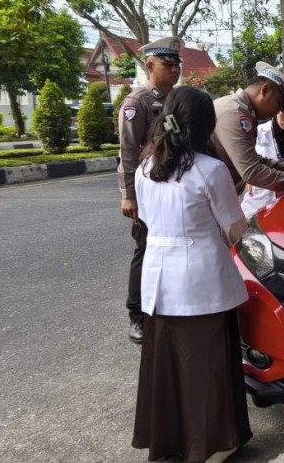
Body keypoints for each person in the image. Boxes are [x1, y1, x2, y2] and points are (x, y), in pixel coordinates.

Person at [131, 86, 251, 463]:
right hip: (202, 283)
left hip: (159, 282)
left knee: (167, 368)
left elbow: (148, 221)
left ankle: (170, 442)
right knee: (207, 367)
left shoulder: (145, 168)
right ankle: (211, 444)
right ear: (205, 125)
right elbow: (235, 230)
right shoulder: (211, 170)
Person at [116, 36, 184, 345]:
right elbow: (128, 152)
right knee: (145, 250)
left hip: (173, 189)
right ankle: (137, 316)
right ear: (149, 66)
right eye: (168, 65)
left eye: (176, 65)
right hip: (147, 192)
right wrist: (129, 195)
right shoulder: (138, 102)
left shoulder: (174, 99)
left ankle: (163, 310)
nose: (174, 70)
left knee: (168, 249)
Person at [212, 62, 284, 198]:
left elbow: (254, 159)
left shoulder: (239, 109)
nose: (277, 111)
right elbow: (252, 172)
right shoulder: (235, 114)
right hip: (206, 199)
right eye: (278, 104)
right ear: (265, 90)